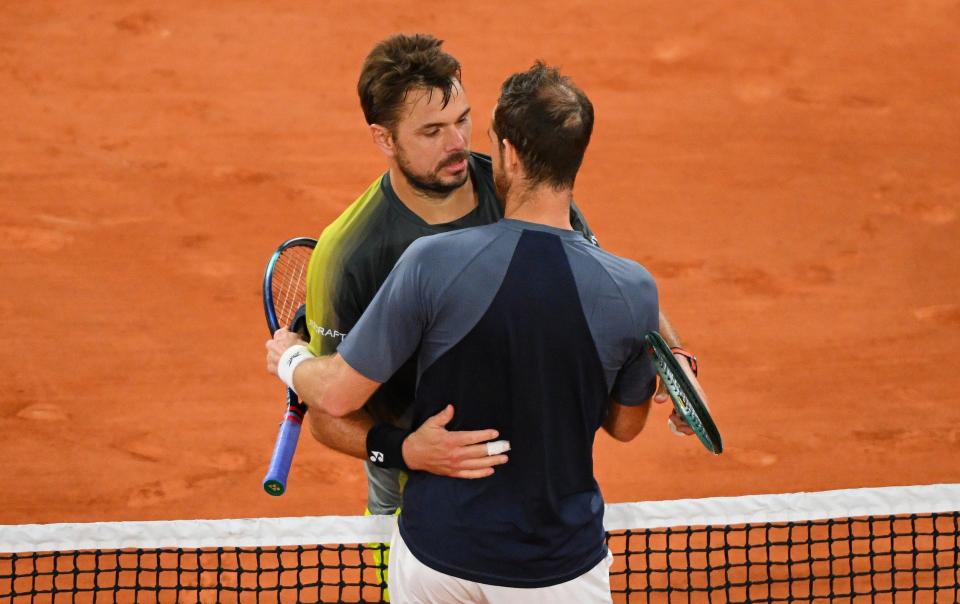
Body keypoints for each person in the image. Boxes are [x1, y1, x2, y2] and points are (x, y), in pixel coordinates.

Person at [267, 61, 665, 602]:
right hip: (420, 492)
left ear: (510, 154)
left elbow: (601, 279)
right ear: (384, 138)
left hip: (462, 534)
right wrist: (407, 450)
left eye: (464, 120)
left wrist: (287, 360)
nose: (456, 142)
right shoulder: (350, 251)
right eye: (431, 131)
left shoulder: (458, 233)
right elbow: (332, 415)